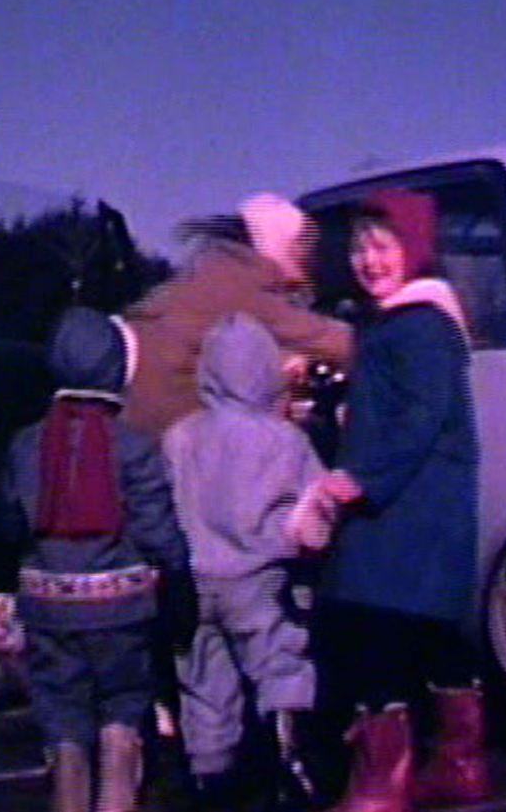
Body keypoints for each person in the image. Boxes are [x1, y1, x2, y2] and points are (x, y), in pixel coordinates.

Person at [309, 189, 490, 812]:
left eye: (384, 247)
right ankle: (458, 764)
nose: (370, 261)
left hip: (403, 511)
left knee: (374, 633)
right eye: (360, 248)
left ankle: (382, 784)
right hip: (421, 508)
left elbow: (421, 415)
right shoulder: (403, 322)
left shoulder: (417, 325)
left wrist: (364, 477)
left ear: (414, 250)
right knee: (434, 631)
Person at [0, 307, 198, 812]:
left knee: (61, 708)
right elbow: (156, 530)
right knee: (123, 702)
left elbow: (9, 523)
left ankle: (68, 794)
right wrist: (177, 573)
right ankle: (117, 797)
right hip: (120, 606)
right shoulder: (132, 445)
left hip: (47, 604)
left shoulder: (26, 443)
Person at [164, 312, 331, 811]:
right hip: (262, 579)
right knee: (280, 665)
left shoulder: (180, 436)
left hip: (195, 581)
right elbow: (315, 508)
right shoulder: (285, 439)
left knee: (204, 682)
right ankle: (288, 758)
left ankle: (210, 778)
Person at [120, 192, 353, 442]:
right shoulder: (239, 288)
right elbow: (332, 341)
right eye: (301, 245)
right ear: (280, 245)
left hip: (141, 425)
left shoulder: (215, 274)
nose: (311, 257)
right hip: (171, 432)